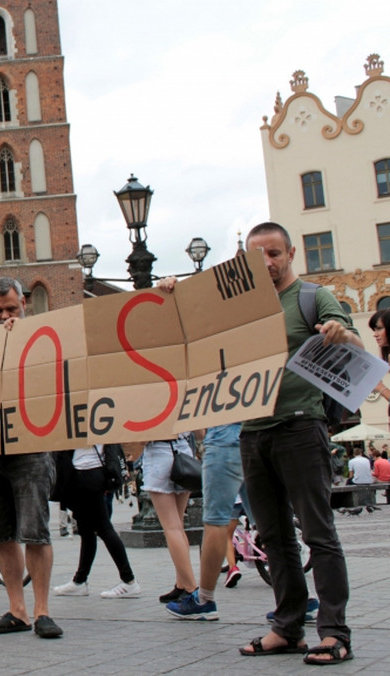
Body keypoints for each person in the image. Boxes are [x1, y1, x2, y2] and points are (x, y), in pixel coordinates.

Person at [192, 223, 356, 662]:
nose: (266, 263)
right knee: (276, 537)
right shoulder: (239, 307)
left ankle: (334, 632)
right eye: (256, 256)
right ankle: (288, 627)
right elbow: (192, 327)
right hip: (253, 433)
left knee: (318, 533)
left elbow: (349, 339)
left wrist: (342, 333)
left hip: (302, 427)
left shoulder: (312, 297)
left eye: (274, 254)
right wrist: (172, 291)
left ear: (290, 254)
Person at [0, 277, 62, 639]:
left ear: (24, 304)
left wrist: (20, 336)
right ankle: (17, 610)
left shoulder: (44, 339)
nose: (4, 315)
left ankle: (42, 610)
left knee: (36, 532)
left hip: (29, 449)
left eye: (11, 308)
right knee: (1, 535)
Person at [165, 423, 249, 620]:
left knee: (216, 522)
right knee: (267, 520)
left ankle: (204, 599)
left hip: (223, 434)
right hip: (255, 430)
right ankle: (302, 597)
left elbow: (200, 428)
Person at [51, 445, 140, 600]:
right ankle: (80, 581)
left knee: (104, 528)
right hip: (81, 471)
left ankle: (129, 580)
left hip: (89, 470)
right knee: (86, 530)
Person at [140, 435, 197, 605]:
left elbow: (140, 437)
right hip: (184, 453)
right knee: (178, 525)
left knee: (171, 528)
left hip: (158, 452)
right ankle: (182, 583)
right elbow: (200, 432)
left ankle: (191, 588)